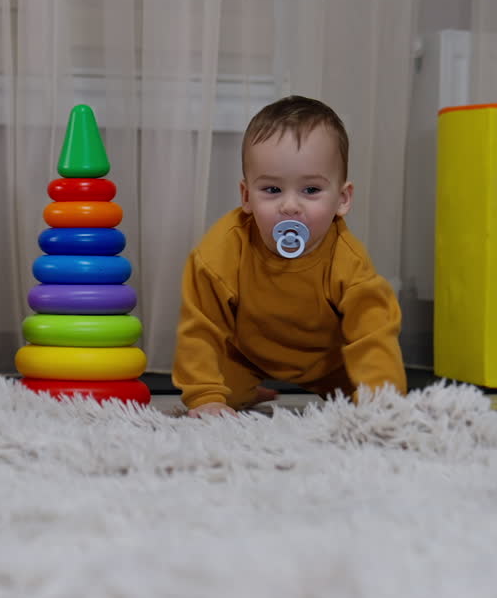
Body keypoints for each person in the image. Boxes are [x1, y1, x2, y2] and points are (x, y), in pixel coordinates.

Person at [172, 95, 407, 417]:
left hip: (331, 362)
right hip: (247, 355)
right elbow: (201, 327)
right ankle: (249, 391)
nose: (290, 206)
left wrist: (385, 401)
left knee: (367, 399)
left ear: (342, 199)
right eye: (272, 190)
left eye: (310, 190)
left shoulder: (347, 260)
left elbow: (373, 333)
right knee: (221, 396)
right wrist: (204, 397)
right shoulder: (221, 252)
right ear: (246, 196)